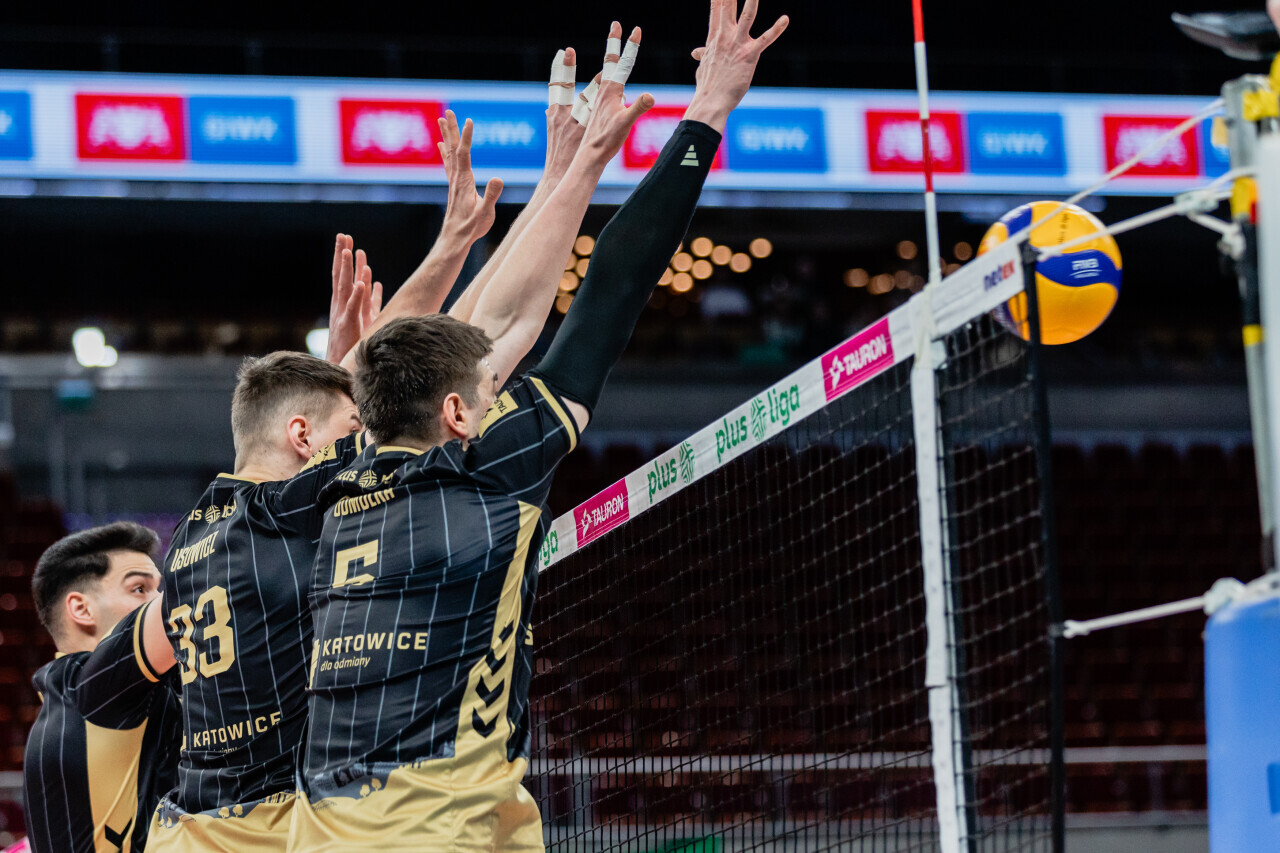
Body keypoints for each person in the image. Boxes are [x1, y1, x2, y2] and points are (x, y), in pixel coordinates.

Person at [75, 49, 597, 853]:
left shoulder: (206, 525)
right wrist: (559, 178)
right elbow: (450, 353)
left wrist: (456, 240)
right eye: (348, 425)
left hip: (187, 829)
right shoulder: (304, 509)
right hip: (267, 833)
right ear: (302, 437)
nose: (364, 436)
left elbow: (383, 369)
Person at [292, 3, 787, 849]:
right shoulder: (486, 473)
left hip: (325, 828)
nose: (499, 386)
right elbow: (609, 288)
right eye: (485, 390)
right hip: (440, 832)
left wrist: (566, 172)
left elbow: (480, 327)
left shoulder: (332, 478)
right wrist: (703, 114)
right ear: (458, 414)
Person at [22, 522, 180, 853]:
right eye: (139, 589)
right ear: (81, 609)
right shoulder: (86, 684)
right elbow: (186, 606)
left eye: (159, 589)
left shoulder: (67, 697)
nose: (158, 601)